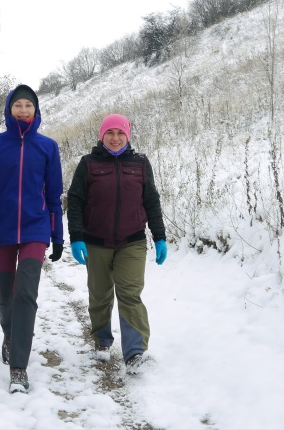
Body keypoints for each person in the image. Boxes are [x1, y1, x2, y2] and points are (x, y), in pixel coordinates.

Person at [0, 84, 64, 393]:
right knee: (3, 293)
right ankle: (10, 335)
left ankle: (19, 367)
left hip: (36, 230)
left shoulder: (48, 147)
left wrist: (58, 235)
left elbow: (54, 195)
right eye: (17, 105)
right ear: (9, 110)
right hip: (0, 229)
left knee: (25, 292)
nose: (23, 110)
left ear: (36, 111)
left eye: (29, 105)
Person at [66, 113, 167, 374]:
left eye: (120, 133)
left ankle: (134, 353)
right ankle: (101, 339)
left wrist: (159, 236)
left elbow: (151, 201)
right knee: (99, 296)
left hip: (132, 242)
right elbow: (75, 201)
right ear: (102, 136)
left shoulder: (140, 164)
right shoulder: (88, 164)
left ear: (127, 135)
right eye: (110, 133)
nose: (115, 138)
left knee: (130, 295)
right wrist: (76, 237)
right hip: (96, 242)